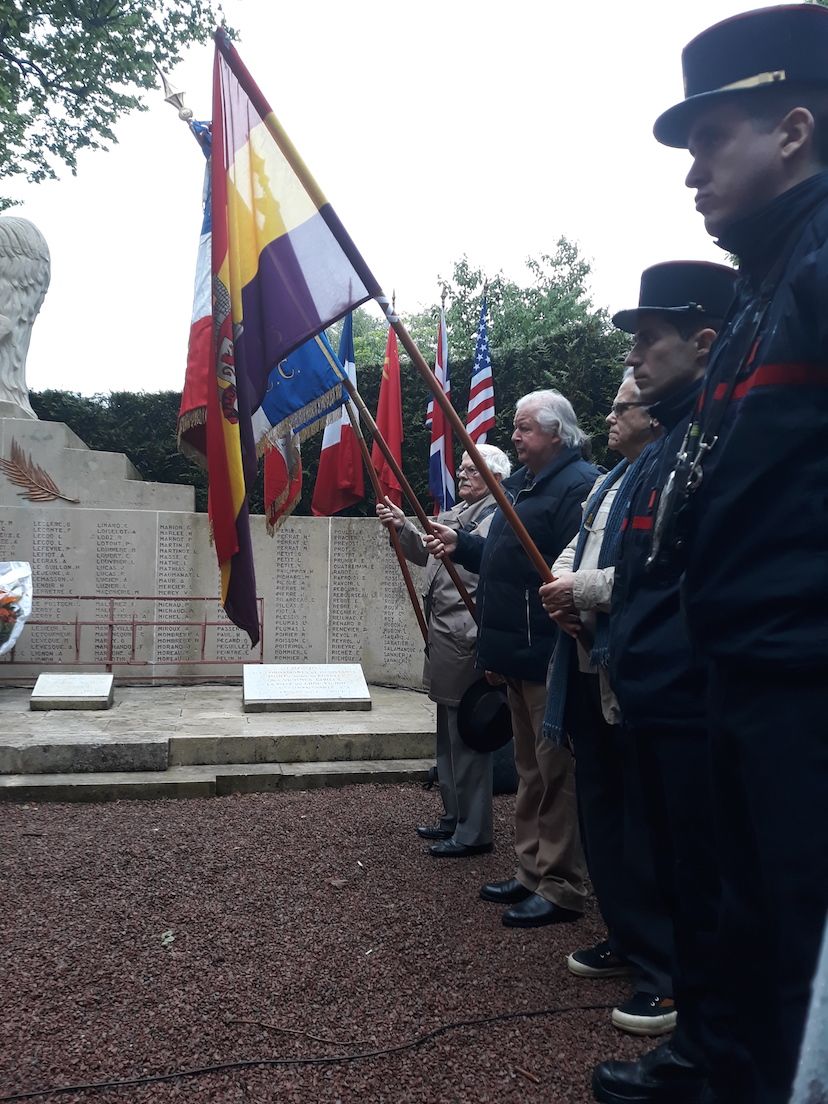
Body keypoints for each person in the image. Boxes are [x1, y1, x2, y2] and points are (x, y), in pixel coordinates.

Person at [647, 8, 828, 1102]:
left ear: (794, 129)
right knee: (745, 925)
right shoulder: (766, 284)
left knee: (800, 945)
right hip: (748, 666)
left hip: (806, 678)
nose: (693, 173)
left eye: (712, 141)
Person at [588, 260, 736, 1104]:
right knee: (680, 877)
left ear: (705, 340)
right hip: (653, 700)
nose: (635, 358)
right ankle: (704, 1049)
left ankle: (708, 1059)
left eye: (649, 340)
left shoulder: (719, 434)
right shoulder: (670, 444)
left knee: (706, 885)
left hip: (692, 706)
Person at [425, 390, 599, 928]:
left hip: (547, 652)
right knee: (528, 770)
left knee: (555, 773)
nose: (515, 437)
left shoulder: (578, 487)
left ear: (556, 433)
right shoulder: (523, 486)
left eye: (524, 429)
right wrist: (461, 543)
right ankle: (529, 871)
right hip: (513, 652)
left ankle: (562, 885)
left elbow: (571, 572)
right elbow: (501, 558)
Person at [539, 371, 673, 1038]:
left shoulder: (669, 467)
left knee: (646, 826)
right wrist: (564, 589)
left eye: (624, 407)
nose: (611, 417)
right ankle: (624, 937)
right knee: (603, 816)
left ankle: (665, 973)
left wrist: (579, 590)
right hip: (589, 668)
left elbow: (659, 569)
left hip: (634, 675)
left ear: (655, 416)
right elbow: (576, 548)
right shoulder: (606, 483)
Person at [376, 444, 511, 858]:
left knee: (469, 735)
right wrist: (403, 526)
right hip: (443, 636)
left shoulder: (499, 516)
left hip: (469, 634)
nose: (464, 474)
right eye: (463, 467)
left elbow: (478, 560)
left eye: (473, 469)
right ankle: (454, 816)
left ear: (497, 478)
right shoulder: (455, 515)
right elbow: (424, 556)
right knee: (447, 735)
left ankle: (474, 832)